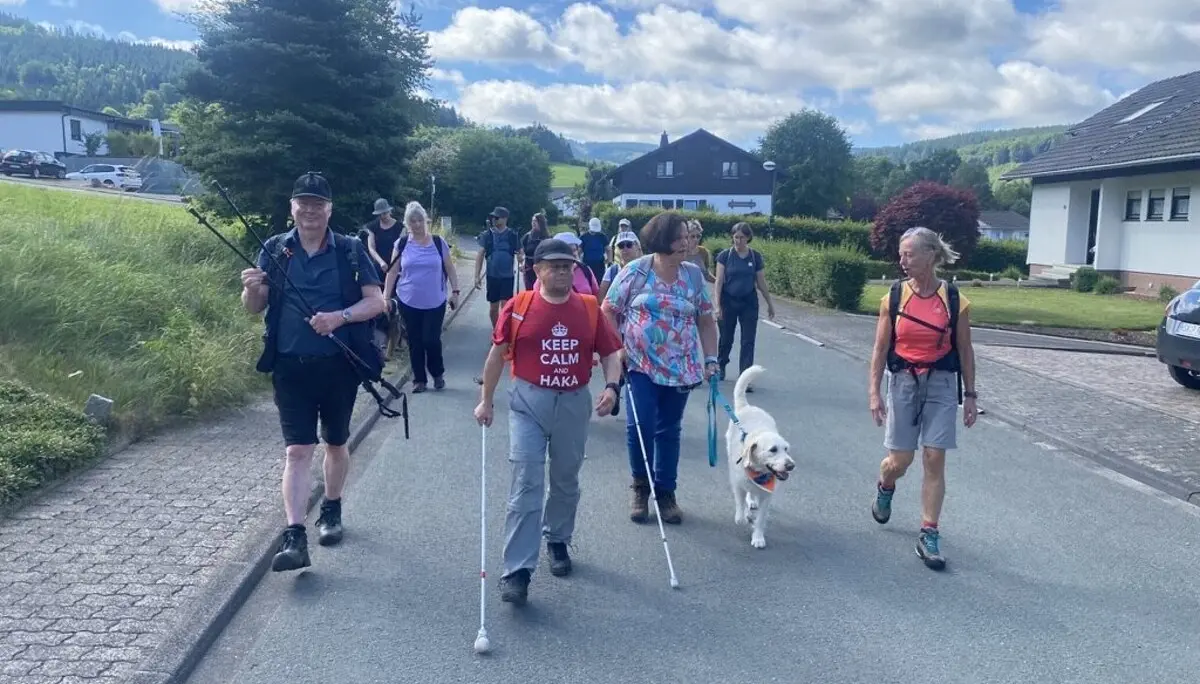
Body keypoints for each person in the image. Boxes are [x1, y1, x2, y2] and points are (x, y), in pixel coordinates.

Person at [239, 172, 387, 572]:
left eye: (317, 203)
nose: (309, 210)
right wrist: (252, 288)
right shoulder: (274, 249)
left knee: (336, 444)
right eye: (302, 202)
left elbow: (377, 304)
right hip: (289, 366)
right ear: (292, 207)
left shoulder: (351, 251)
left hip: (339, 366)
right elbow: (255, 306)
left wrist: (339, 317)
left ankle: (333, 508)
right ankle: (294, 536)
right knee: (297, 450)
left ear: (329, 209)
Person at [474, 238, 624, 606]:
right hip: (528, 401)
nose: (561, 271)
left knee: (565, 478)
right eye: (553, 265)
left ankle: (557, 539)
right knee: (527, 481)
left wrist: (612, 387)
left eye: (566, 265)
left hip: (573, 401)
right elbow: (496, 356)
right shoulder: (520, 306)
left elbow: (611, 352)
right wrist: (486, 402)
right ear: (537, 269)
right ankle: (517, 570)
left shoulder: (589, 309)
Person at [867, 226, 978, 571]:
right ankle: (886, 485)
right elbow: (881, 347)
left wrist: (971, 394)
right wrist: (874, 391)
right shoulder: (895, 298)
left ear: (930, 255)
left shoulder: (954, 299)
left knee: (934, 457)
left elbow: (965, 349)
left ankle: (929, 532)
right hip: (903, 381)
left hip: (942, 382)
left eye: (909, 254)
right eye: (901, 254)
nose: (902, 260)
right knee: (899, 461)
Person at [602, 211, 719, 525]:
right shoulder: (635, 271)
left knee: (670, 429)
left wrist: (711, 359)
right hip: (640, 363)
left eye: (688, 237)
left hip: (681, 366)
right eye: (679, 237)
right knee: (640, 425)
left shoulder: (693, 275)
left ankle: (666, 491)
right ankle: (641, 486)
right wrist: (618, 348)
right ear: (662, 239)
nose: (686, 243)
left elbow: (706, 321)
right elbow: (608, 311)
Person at [383, 201, 460, 393]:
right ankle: (419, 379)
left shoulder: (438, 242)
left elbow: (450, 268)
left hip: (435, 301)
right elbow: (392, 272)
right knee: (415, 341)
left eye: (419, 220)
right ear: (407, 224)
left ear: (425, 220)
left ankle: (437, 372)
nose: (416, 225)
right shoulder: (401, 244)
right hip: (408, 300)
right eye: (412, 221)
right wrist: (385, 298)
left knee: (431, 340)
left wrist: (455, 292)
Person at [714, 222, 776, 385]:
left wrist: (769, 303)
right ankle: (721, 365)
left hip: (748, 301)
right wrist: (717, 305)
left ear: (748, 238)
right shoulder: (724, 256)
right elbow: (719, 282)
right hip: (728, 300)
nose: (738, 241)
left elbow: (761, 281)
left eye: (742, 237)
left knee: (748, 340)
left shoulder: (755, 257)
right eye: (735, 237)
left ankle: (745, 378)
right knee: (726, 337)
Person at [475, 207, 522, 327]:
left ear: (505, 219)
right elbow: (480, 254)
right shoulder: (487, 235)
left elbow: (520, 250)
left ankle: (503, 333)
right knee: (493, 309)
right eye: (492, 217)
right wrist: (477, 276)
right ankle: (496, 330)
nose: (494, 220)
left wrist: (520, 258)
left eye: (497, 217)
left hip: (507, 276)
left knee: (506, 308)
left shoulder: (512, 235)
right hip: (492, 276)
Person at [599, 229, 642, 301]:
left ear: (637, 246)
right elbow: (601, 298)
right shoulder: (612, 271)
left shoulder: (647, 268)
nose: (625, 248)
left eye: (629, 245)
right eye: (621, 246)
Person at [553, 231, 600, 296]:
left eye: (574, 250)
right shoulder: (548, 273)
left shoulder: (585, 269)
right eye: (569, 251)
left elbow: (596, 295)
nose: (574, 254)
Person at [521, 212, 550, 291]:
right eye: (532, 221)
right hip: (529, 268)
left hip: (542, 267)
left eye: (536, 221)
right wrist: (522, 263)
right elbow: (521, 251)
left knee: (542, 289)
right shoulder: (527, 236)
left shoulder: (547, 237)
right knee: (529, 290)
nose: (533, 223)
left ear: (541, 222)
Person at [683, 219, 716, 284]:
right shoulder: (680, 252)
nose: (696, 239)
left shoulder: (703, 252)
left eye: (698, 236)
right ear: (686, 237)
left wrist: (719, 282)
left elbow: (706, 274)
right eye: (692, 236)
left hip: (700, 289)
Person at [580, 217, 609, 283]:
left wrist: (609, 260)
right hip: (587, 264)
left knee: (599, 282)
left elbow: (608, 249)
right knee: (588, 282)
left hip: (600, 264)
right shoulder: (584, 237)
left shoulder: (602, 236)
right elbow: (579, 250)